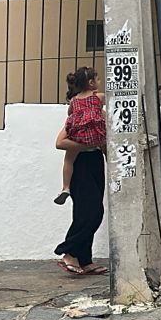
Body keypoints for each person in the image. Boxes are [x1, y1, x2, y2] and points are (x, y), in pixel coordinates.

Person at [53, 67, 107, 276]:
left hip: (95, 161)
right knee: (91, 212)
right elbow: (60, 143)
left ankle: (84, 259)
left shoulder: (98, 114)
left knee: (88, 212)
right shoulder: (78, 115)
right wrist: (86, 145)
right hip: (82, 163)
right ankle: (68, 252)